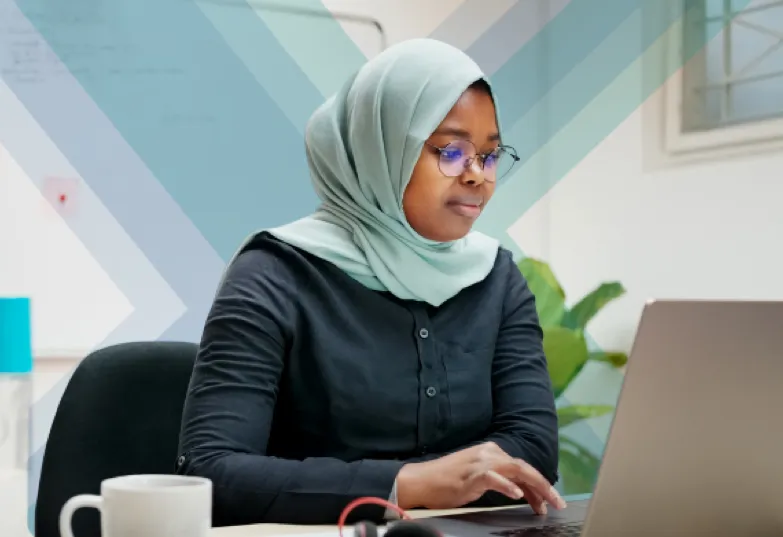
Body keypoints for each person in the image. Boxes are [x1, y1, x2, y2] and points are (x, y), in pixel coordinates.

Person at [175, 38, 565, 527]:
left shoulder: (496, 275)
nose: (477, 176)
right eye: (450, 151)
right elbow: (214, 470)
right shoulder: (275, 273)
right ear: (379, 150)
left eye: (488, 156)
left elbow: (532, 449)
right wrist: (408, 484)